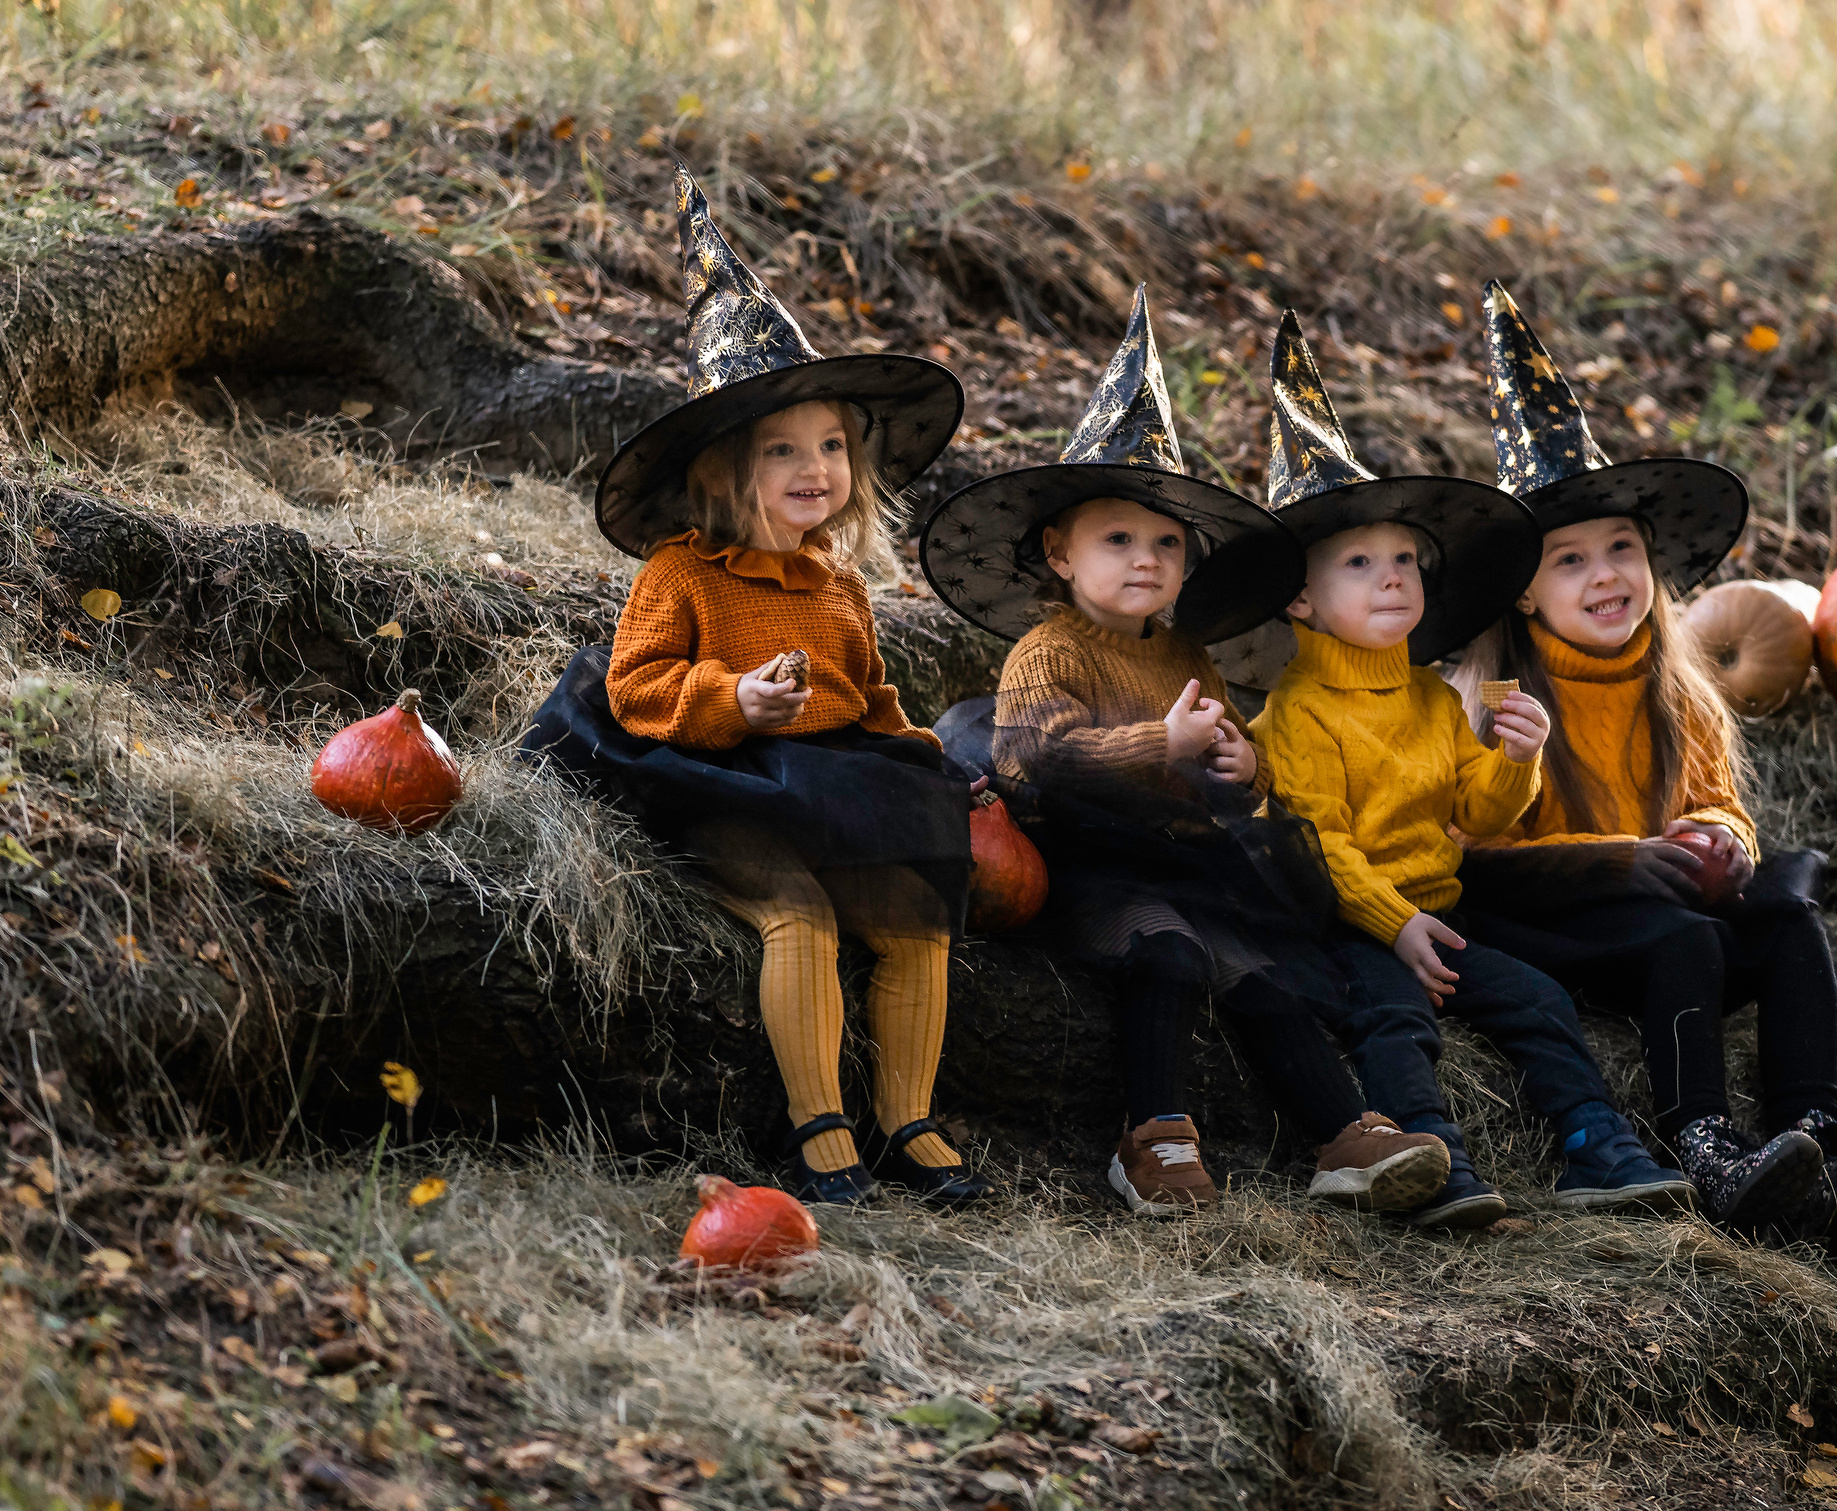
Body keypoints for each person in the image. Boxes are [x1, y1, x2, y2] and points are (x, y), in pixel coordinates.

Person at [920, 289, 1451, 1218]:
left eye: (1166, 543)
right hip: (1084, 860)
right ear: (1057, 551)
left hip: (1184, 856)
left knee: (1263, 977)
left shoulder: (1182, 650)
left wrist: (1242, 768)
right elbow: (1031, 757)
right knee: (1164, 954)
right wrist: (1153, 741)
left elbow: (1228, 743)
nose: (1145, 559)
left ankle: (1345, 1136)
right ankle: (1154, 1133)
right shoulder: (1047, 651)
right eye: (1117, 539)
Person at [524, 167, 994, 1210]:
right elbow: (639, 685)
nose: (813, 467)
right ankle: (816, 1122)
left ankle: (907, 1116)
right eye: (781, 450)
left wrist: (929, 761)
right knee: (800, 921)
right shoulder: (680, 574)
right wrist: (734, 699)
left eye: (830, 446)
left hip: (820, 787)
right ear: (720, 474)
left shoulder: (836, 588)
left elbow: (872, 705)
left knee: (915, 922)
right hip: (716, 786)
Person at [1445, 280, 1837, 1249]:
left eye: (1620, 549)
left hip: (1661, 900)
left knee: (1784, 913)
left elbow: (1716, 800)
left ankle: (1809, 1137)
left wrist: (1721, 840)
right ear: (1523, 595)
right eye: (1569, 561)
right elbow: (1470, 856)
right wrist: (1616, 858)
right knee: (1679, 934)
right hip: (1556, 925)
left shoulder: (1676, 685)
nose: (1605, 574)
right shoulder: (1497, 701)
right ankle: (1702, 1142)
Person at [1248, 310, 1700, 1229]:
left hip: (1438, 912)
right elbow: (1317, 842)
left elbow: (1479, 814)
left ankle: (1590, 1140)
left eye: (1406, 560)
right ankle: (1425, 1155)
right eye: (1362, 563)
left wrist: (1515, 760)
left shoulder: (1426, 697)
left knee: (1533, 997)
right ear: (1302, 596)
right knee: (1394, 1020)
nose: (1393, 579)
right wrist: (1396, 922)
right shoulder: (1297, 710)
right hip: (1351, 922)